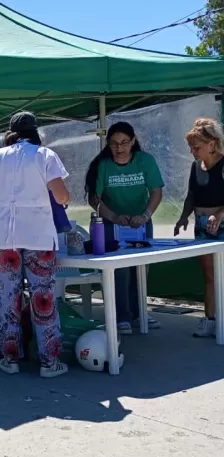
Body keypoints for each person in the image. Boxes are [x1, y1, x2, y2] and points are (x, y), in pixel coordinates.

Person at [0, 111, 70, 378]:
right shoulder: (45, 155)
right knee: (44, 298)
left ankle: (10, 358)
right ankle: (49, 363)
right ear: (35, 132)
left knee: (7, 299)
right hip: (39, 236)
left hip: (5, 238)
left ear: (11, 132)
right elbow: (61, 195)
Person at [86, 121, 164, 334]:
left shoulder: (145, 161)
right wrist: (114, 216)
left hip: (141, 223)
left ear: (133, 142)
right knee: (119, 271)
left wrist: (145, 215)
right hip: (113, 224)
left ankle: (140, 313)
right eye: (114, 144)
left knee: (141, 267)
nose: (119, 148)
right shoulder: (103, 165)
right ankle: (122, 316)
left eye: (124, 143)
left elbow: (156, 191)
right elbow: (95, 199)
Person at [174, 118, 224, 338]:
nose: (193, 152)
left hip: (221, 225)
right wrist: (183, 218)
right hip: (201, 227)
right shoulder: (196, 168)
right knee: (209, 274)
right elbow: (191, 196)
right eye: (191, 148)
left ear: (212, 144)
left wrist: (220, 214)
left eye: (197, 147)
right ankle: (210, 319)